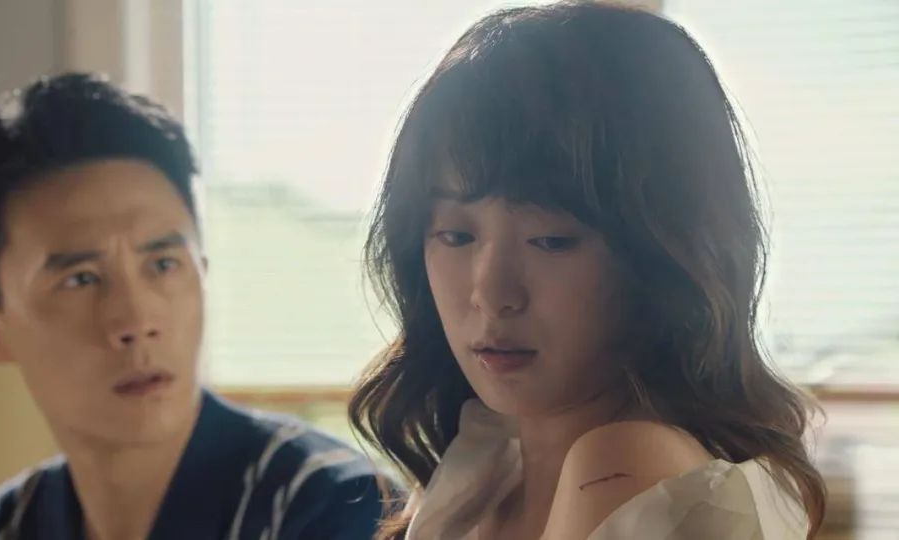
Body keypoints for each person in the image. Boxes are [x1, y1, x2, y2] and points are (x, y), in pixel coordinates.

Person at [348, 2, 826, 539]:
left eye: (551, 240)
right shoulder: (485, 455)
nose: (491, 293)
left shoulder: (625, 461)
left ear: (662, 251)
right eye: (456, 236)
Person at [0, 73, 385, 540]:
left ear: (202, 270)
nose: (137, 320)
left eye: (164, 264)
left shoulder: (336, 506)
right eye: (80, 279)